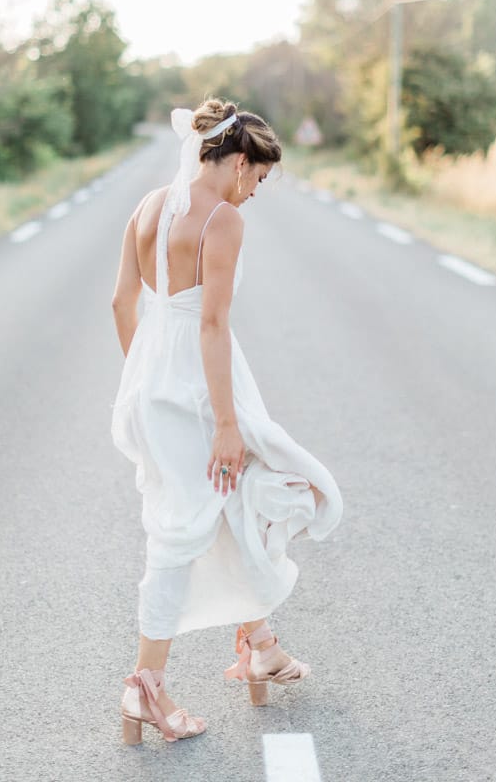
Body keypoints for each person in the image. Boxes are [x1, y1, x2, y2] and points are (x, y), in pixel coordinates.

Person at [110, 98, 343, 745]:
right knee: (202, 520)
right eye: (258, 179)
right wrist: (224, 424)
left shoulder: (148, 207)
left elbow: (120, 302)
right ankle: (143, 688)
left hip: (153, 384)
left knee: (234, 497)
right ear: (239, 162)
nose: (255, 194)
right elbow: (212, 323)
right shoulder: (221, 220)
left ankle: (260, 644)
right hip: (201, 388)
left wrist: (148, 374)